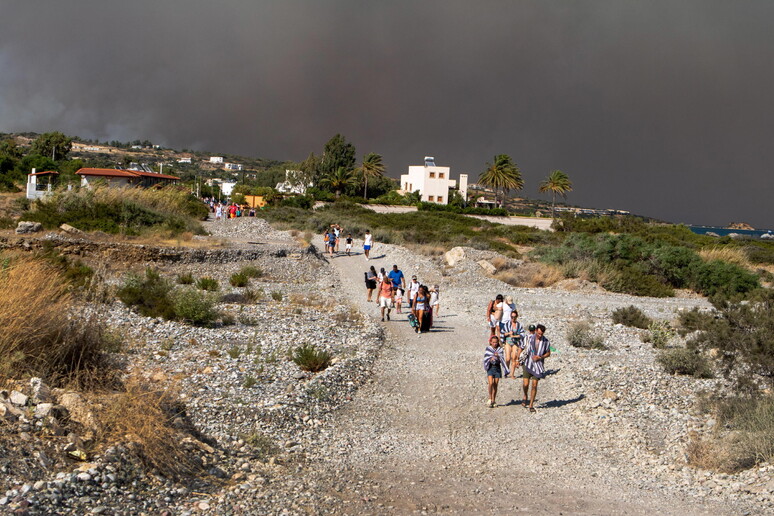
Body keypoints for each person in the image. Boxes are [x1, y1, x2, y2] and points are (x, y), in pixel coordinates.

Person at [522, 324, 551, 413]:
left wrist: (540, 357)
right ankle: (525, 395)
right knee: (526, 384)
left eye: (541, 334)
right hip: (528, 363)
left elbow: (548, 353)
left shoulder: (546, 342)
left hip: (538, 366)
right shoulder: (529, 338)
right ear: (535, 331)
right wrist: (517, 360)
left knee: (534, 385)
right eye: (538, 333)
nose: (539, 335)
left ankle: (531, 405)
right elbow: (522, 348)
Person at [483, 335, 509, 408]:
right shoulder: (488, 349)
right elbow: (486, 357)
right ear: (491, 342)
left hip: (497, 367)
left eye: (496, 342)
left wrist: (498, 357)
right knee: (491, 383)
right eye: (493, 342)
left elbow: (502, 359)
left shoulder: (500, 350)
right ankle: (490, 398)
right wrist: (490, 359)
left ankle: (494, 400)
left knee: (495, 384)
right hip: (490, 367)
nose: (495, 344)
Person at [501, 310, 526, 378]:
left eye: (514, 317)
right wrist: (509, 333)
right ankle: (506, 371)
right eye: (512, 317)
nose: (513, 318)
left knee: (514, 358)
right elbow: (503, 333)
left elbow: (522, 334)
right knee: (508, 358)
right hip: (508, 342)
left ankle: (512, 374)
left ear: (517, 317)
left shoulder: (519, 325)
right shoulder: (507, 324)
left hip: (515, 342)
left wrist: (515, 336)